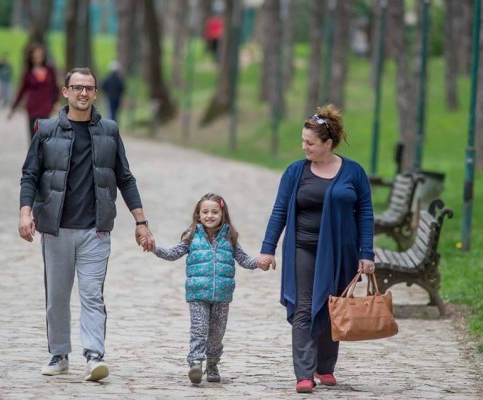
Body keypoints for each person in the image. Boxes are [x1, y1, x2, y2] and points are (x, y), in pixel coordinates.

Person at [18, 67, 155, 382]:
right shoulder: (46, 129)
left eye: (89, 88)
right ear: (65, 92)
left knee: (92, 294)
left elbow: (125, 178)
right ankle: (59, 354)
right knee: (57, 296)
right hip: (56, 229)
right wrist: (26, 212)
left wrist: (141, 222)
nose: (83, 93)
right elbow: (30, 175)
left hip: (96, 230)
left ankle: (94, 356)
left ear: (96, 93)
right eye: (77, 87)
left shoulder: (109, 130)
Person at [257, 104, 375, 394]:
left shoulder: (354, 173)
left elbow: (366, 214)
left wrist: (366, 253)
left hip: (340, 252)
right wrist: (267, 249)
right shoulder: (296, 172)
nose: (304, 147)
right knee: (306, 308)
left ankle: (325, 367)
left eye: (310, 143)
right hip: (303, 248)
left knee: (332, 307)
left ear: (328, 143)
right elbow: (280, 211)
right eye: (303, 141)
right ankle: (304, 374)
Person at [147, 193, 269, 384]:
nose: (209, 216)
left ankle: (212, 364)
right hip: (197, 294)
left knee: (217, 333)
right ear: (198, 214)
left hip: (222, 295)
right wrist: (154, 247)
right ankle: (195, 362)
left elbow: (244, 259)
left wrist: (259, 263)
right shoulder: (191, 236)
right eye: (205, 212)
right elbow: (172, 254)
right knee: (199, 328)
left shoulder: (230, 237)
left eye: (214, 212)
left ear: (222, 214)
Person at [9, 43, 59, 143]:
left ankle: (44, 155)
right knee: (33, 134)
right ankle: (33, 155)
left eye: (40, 56)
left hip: (46, 105)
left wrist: (56, 102)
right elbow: (22, 90)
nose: (38, 59)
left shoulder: (50, 70)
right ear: (31, 58)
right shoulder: (28, 72)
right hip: (33, 106)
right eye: (35, 57)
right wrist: (14, 107)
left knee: (45, 132)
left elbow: (55, 87)